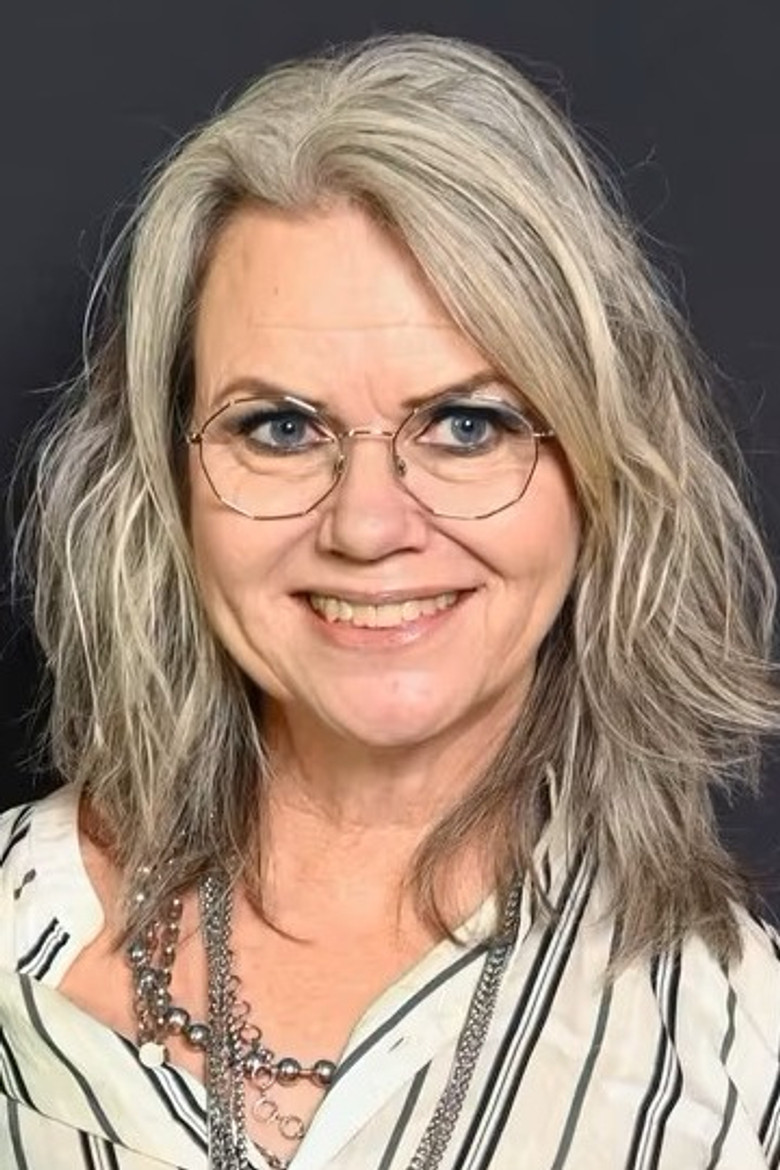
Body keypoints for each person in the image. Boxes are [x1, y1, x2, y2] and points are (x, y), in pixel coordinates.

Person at [1, 31, 778, 1170]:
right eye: (280, 427)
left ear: (600, 472)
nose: (368, 526)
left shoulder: (747, 1059)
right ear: (166, 484)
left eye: (468, 424)